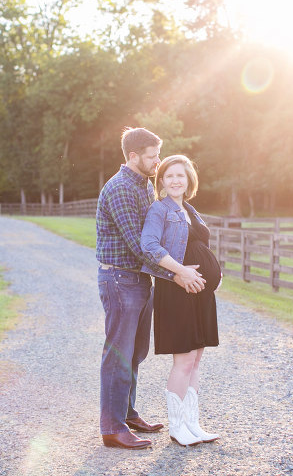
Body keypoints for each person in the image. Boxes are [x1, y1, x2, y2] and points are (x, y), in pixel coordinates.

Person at [96, 128, 205, 450]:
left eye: (158, 155)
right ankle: (112, 428)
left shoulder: (143, 185)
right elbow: (139, 246)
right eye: (152, 156)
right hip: (120, 280)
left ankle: (127, 413)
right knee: (118, 354)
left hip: (140, 280)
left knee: (135, 352)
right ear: (133, 156)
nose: (158, 162)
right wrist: (179, 275)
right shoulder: (119, 189)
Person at [140, 154, 221, 447]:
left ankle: (192, 423)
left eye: (181, 176)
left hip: (199, 293)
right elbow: (148, 245)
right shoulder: (159, 210)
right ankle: (177, 427)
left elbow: (201, 247)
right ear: (161, 181)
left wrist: (215, 275)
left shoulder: (190, 210)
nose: (175, 181)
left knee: (196, 359)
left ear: (189, 181)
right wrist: (181, 271)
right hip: (177, 291)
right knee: (184, 360)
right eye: (170, 176)